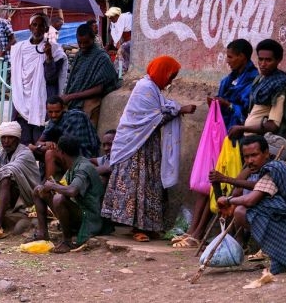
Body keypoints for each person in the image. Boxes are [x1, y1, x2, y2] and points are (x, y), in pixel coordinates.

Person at [173, 39, 259, 248]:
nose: (227, 61)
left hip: (238, 142)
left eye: (231, 57)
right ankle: (195, 232)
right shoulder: (228, 80)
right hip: (221, 138)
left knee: (225, 187)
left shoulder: (253, 81)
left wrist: (228, 105)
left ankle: (208, 235)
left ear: (243, 57)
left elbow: (248, 112)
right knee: (208, 182)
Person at [100, 56, 196, 242]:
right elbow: (154, 118)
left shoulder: (153, 89)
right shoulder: (144, 88)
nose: (170, 81)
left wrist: (175, 109)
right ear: (161, 72)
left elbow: (160, 111)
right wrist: (180, 110)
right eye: (170, 76)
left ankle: (149, 226)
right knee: (138, 186)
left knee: (150, 186)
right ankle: (138, 227)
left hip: (148, 145)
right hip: (135, 147)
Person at [216, 135, 286, 274]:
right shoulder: (276, 169)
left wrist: (228, 200)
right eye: (246, 157)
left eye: (254, 155)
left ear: (267, 154)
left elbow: (250, 200)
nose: (249, 161)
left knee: (241, 211)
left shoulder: (273, 171)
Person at [31, 135, 106, 253]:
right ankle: (43, 233)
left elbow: (72, 191)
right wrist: (54, 186)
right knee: (38, 190)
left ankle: (67, 241)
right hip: (81, 209)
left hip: (90, 216)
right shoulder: (75, 164)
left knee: (58, 199)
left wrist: (53, 186)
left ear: (60, 151)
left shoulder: (83, 167)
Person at [10, 13, 68, 146]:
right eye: (35, 25)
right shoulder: (19, 48)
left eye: (42, 26)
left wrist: (48, 57)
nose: (38, 29)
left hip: (42, 105)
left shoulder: (55, 50)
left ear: (47, 29)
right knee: (23, 146)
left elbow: (51, 78)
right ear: (29, 27)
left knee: (42, 146)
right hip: (21, 103)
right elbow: (16, 78)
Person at [228, 39, 286, 144]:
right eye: (260, 59)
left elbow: (273, 126)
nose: (263, 64)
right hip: (248, 138)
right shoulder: (260, 79)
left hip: (261, 143)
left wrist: (243, 128)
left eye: (268, 60)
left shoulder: (280, 86)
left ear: (278, 60)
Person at [61, 23, 119, 127]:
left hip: (89, 102)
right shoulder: (80, 55)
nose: (82, 45)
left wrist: (71, 96)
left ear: (93, 39)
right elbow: (73, 79)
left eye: (86, 42)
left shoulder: (101, 58)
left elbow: (99, 88)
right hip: (73, 101)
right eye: (80, 42)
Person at [31, 96, 100, 181]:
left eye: (57, 112)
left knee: (50, 153)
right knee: (31, 150)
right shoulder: (52, 122)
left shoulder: (76, 117)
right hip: (64, 153)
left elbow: (72, 147)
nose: (53, 115)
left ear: (63, 108)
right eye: (50, 112)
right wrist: (46, 143)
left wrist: (48, 146)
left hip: (81, 155)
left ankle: (49, 187)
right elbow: (38, 142)